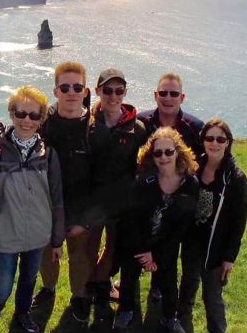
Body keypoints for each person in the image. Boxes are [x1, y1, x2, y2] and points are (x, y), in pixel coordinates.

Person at [0, 61, 96, 322]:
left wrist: (87, 218)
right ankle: (48, 289)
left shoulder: (94, 128)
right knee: (46, 257)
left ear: (85, 91)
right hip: (42, 207)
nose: (71, 92)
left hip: (80, 209)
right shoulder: (44, 121)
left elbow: (103, 177)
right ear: (55, 91)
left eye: (77, 87)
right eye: (64, 87)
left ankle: (79, 296)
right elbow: (18, 130)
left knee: (79, 257)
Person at [0, 86, 66, 333]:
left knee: (28, 280)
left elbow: (56, 199)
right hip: (4, 236)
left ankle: (22, 314)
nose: (27, 120)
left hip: (37, 235)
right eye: (21, 113)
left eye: (34, 116)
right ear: (12, 114)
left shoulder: (48, 154)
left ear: (42, 119)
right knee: (2, 286)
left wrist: (57, 240)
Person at [116, 127, 199, 332]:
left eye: (169, 152)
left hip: (167, 241)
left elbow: (182, 226)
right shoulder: (144, 181)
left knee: (169, 281)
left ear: (178, 152)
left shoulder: (190, 183)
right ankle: (126, 310)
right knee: (129, 276)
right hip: (138, 240)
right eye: (158, 153)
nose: (164, 157)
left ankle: (169, 317)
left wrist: (156, 254)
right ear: (151, 156)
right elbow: (131, 220)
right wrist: (144, 252)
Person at [138, 73, 204, 316]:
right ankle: (130, 297)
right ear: (155, 95)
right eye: (163, 93)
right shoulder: (141, 122)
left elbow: (205, 160)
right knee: (144, 242)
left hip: (183, 202)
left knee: (176, 251)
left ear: (182, 97)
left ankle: (179, 308)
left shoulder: (195, 128)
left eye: (173, 93)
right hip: (148, 198)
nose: (168, 98)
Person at [85, 69, 149, 317]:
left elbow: (142, 166)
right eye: (108, 90)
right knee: (89, 249)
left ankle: (101, 289)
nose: (113, 96)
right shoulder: (87, 123)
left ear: (125, 92)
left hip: (121, 202)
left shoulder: (138, 128)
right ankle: (89, 287)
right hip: (91, 201)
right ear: (98, 90)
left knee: (112, 250)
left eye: (119, 90)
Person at [182, 119, 247, 333]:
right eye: (209, 138)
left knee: (212, 298)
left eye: (220, 139)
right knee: (187, 292)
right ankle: (182, 327)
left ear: (228, 143)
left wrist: (230, 257)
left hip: (217, 250)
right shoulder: (193, 168)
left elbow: (239, 221)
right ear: (202, 141)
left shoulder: (236, 178)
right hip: (193, 245)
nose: (214, 143)